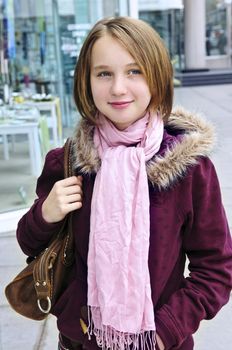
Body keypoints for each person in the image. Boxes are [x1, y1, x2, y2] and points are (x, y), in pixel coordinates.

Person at [16, 17, 232, 350]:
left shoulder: (189, 169)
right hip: (78, 342)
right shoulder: (67, 162)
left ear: (157, 76)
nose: (118, 88)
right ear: (86, 81)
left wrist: (163, 332)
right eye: (103, 73)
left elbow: (216, 269)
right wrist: (45, 213)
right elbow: (30, 243)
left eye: (134, 71)